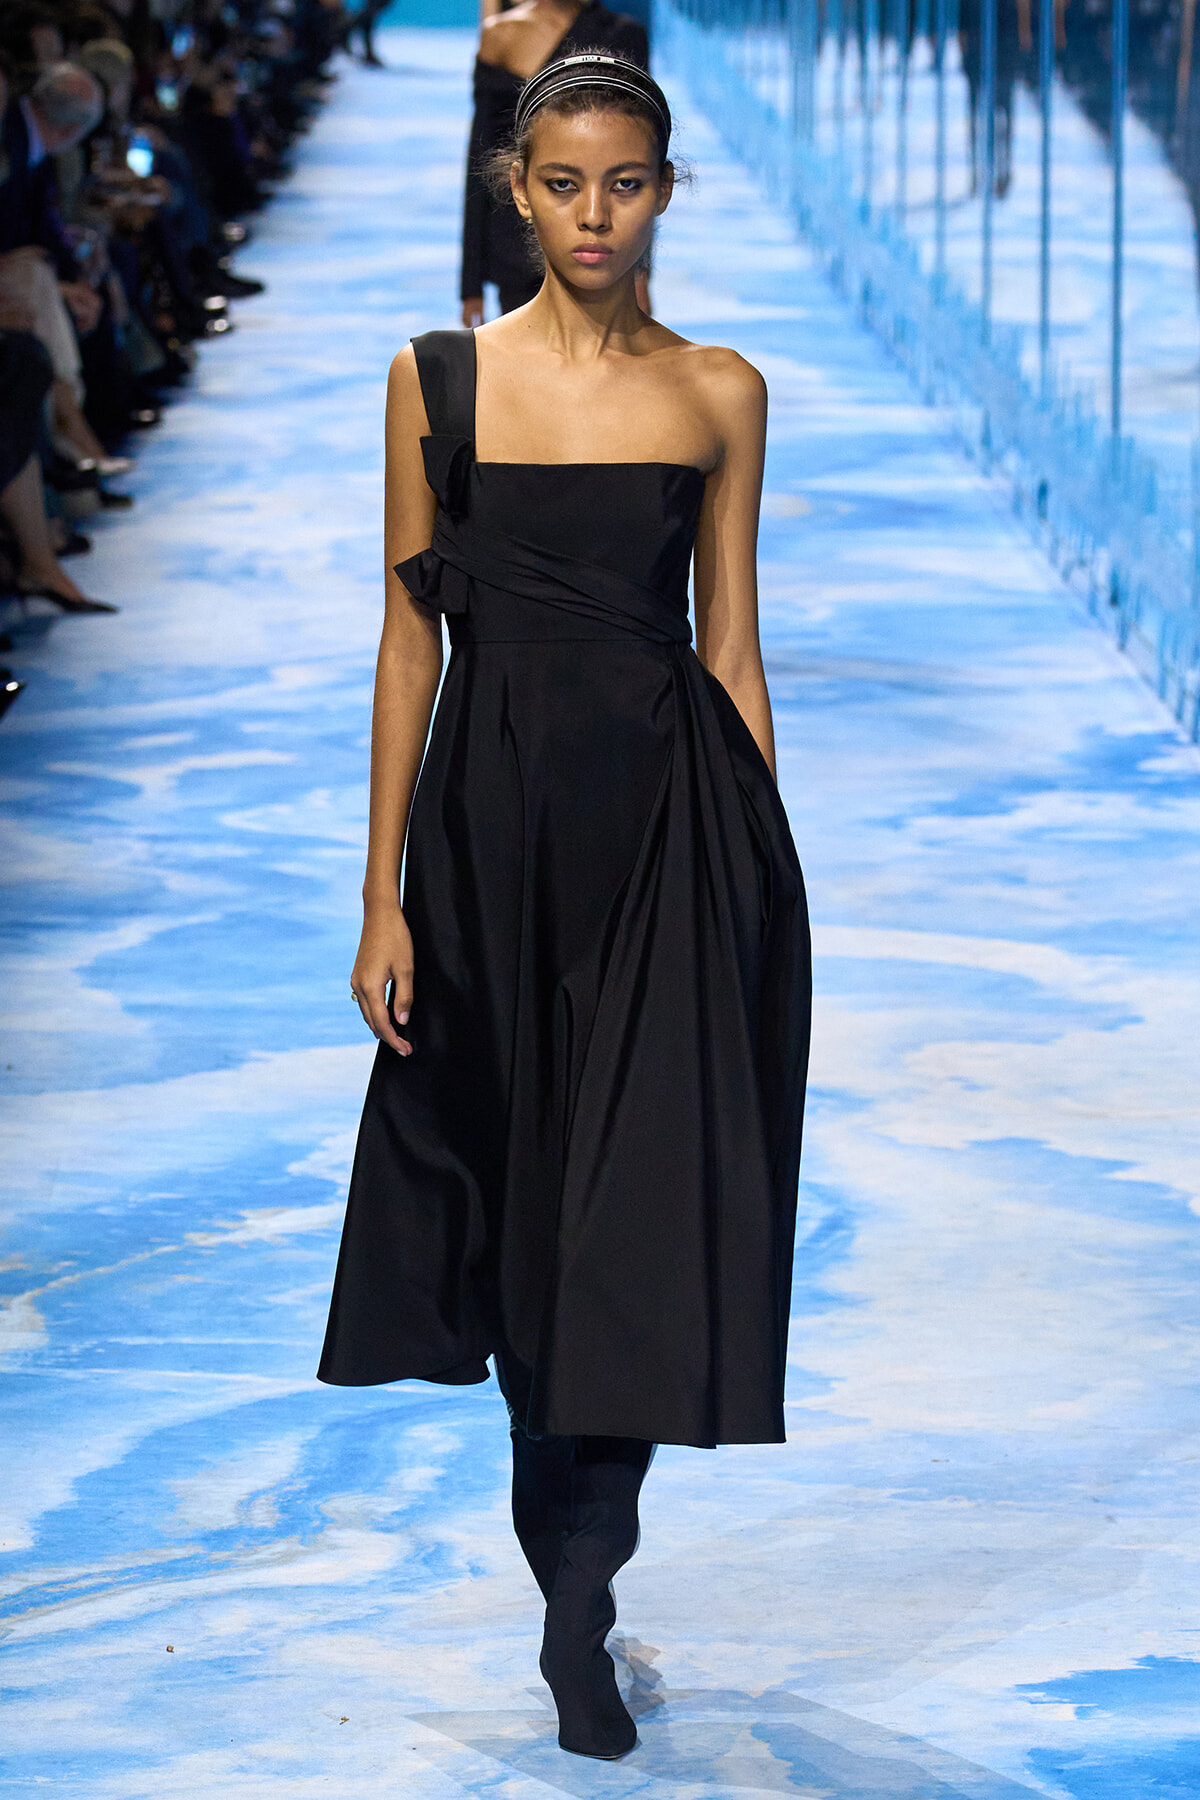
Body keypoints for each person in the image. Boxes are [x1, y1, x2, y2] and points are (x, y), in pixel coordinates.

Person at [319, 53, 811, 1761]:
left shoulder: (722, 393)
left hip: (671, 838)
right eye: (562, 185)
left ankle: (581, 1592)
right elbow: (409, 636)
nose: (594, 216)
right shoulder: (438, 380)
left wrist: (758, 888)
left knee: (643, 1223)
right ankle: (572, 1581)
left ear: (668, 188)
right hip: (485, 842)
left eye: (627, 184)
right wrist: (383, 892)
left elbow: (732, 648)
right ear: (514, 190)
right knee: (527, 1221)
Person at [461, 1, 648, 324]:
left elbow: (640, 163)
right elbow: (480, 161)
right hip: (514, 238)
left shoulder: (623, 35)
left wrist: (640, 272)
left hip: (599, 236)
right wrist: (470, 285)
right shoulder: (500, 35)